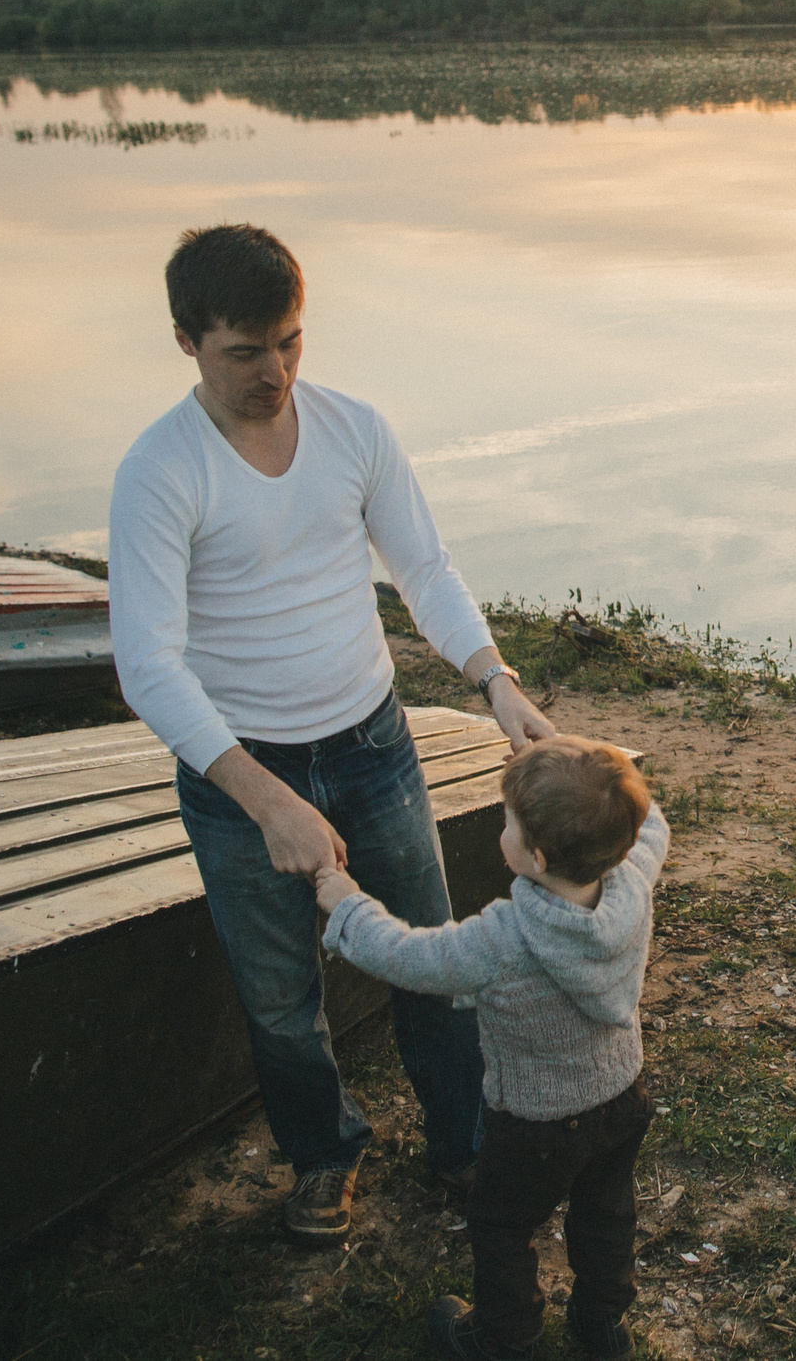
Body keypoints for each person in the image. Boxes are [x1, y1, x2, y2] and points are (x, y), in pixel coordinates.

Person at [108, 223, 556, 1242]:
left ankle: (466, 1146)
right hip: (239, 771)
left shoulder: (355, 430)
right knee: (279, 998)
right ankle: (323, 1155)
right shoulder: (159, 471)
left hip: (371, 744)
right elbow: (149, 666)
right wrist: (266, 802)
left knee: (431, 958)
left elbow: (424, 570)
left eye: (291, 342)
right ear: (186, 341)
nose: (274, 373)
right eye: (244, 352)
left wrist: (495, 681)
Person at [315, 736, 668, 1361]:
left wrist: (347, 907)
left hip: (534, 1124)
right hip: (621, 1097)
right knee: (607, 1210)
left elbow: (408, 956)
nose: (500, 830)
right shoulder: (634, 878)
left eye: (507, 823)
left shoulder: (501, 940)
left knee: (501, 1224)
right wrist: (580, 765)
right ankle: (602, 1321)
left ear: (536, 856)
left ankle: (506, 1336)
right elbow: (653, 822)